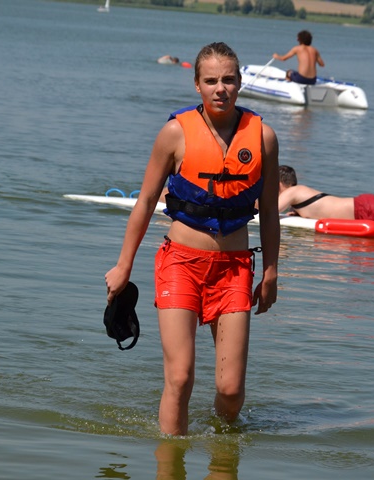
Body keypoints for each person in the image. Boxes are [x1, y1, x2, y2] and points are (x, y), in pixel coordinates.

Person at [105, 42, 280, 436]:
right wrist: (123, 265)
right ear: (197, 85)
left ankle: (222, 449)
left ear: (240, 83)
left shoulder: (263, 138)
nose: (221, 88)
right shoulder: (174, 133)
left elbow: (270, 212)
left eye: (229, 80)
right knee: (180, 378)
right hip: (180, 263)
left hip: (234, 268)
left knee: (231, 390)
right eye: (211, 80)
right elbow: (145, 201)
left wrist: (270, 272)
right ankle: (171, 458)